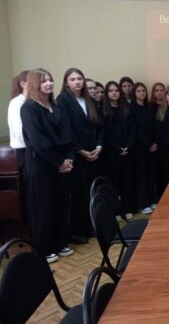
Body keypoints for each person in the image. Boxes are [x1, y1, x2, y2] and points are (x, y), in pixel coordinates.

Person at [20, 69, 74, 263]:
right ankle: (44, 248)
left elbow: (68, 135)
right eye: (44, 81)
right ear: (35, 84)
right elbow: (37, 141)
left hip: (62, 163)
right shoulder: (29, 108)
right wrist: (58, 162)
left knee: (61, 203)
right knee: (44, 206)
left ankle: (60, 242)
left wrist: (69, 158)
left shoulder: (56, 106)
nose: (49, 83)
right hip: (41, 164)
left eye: (50, 80)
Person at [56, 68, 102, 244]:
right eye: (73, 79)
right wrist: (81, 151)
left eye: (79, 78)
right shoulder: (63, 100)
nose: (77, 82)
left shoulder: (90, 100)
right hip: (77, 154)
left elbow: (99, 126)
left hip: (94, 153)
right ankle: (78, 231)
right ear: (66, 83)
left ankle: (90, 227)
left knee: (92, 191)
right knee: (79, 194)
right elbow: (66, 129)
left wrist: (98, 147)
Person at [102, 80, 135, 219]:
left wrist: (128, 146)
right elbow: (105, 134)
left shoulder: (126, 109)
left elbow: (132, 129)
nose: (114, 93)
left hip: (128, 151)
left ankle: (127, 208)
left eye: (116, 90)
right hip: (112, 152)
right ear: (107, 93)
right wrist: (117, 148)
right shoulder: (103, 110)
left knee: (127, 181)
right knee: (114, 182)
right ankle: (116, 211)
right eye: (111, 91)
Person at [131, 82, 158, 213]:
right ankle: (143, 204)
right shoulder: (131, 108)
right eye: (138, 91)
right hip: (139, 147)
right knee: (141, 176)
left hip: (151, 147)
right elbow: (135, 130)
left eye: (143, 91)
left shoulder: (149, 107)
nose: (141, 93)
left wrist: (154, 143)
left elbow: (154, 127)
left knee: (150, 174)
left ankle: (152, 200)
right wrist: (148, 144)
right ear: (134, 93)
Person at [7, 70, 29, 209]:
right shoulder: (17, 102)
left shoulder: (29, 101)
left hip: (33, 149)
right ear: (23, 84)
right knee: (30, 190)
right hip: (25, 150)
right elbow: (20, 131)